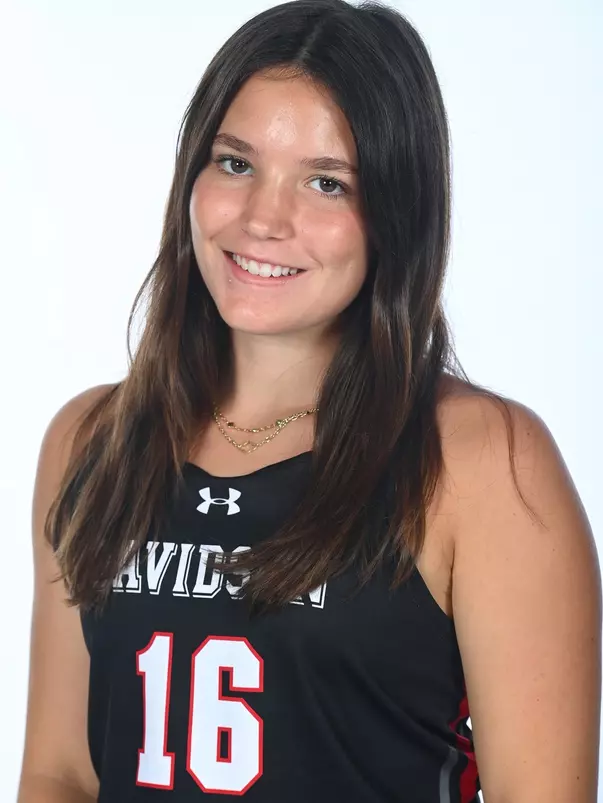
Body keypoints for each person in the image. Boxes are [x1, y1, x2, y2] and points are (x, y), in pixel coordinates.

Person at [17, 0, 601, 801]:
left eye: (327, 183)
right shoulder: (92, 442)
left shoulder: (483, 462)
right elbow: (62, 773)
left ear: (394, 215)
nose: (264, 218)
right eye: (235, 163)